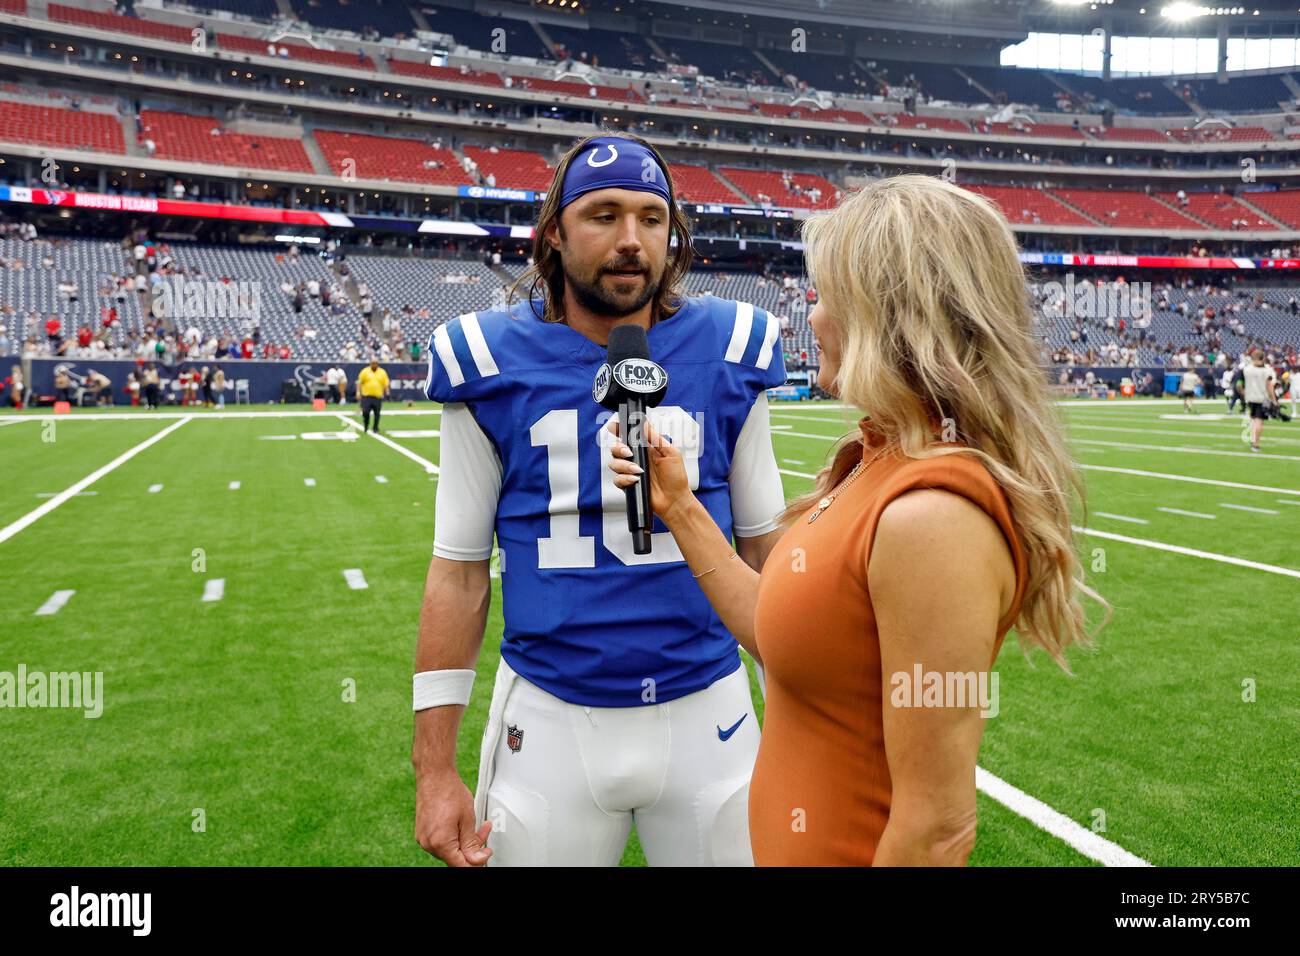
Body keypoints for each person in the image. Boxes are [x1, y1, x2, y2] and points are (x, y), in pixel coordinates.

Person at [609, 175, 1104, 866]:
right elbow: (777, 631)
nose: (809, 318)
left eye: (824, 297)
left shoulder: (931, 514)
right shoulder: (881, 462)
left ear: (888, 312)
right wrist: (680, 507)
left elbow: (937, 830)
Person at [413, 132, 786, 868]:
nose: (630, 240)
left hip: (708, 706)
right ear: (554, 231)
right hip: (550, 716)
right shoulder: (486, 359)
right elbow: (458, 572)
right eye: (603, 215)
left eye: (652, 218)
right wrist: (433, 770)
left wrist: (808, 721)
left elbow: (765, 551)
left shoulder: (732, 344)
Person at [1242, 349, 1277, 453]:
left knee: (1254, 420)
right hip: (1262, 398)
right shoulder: (1267, 371)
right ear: (1263, 358)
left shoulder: (1247, 369)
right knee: (1259, 422)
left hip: (1250, 398)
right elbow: (1270, 387)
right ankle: (1256, 444)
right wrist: (1274, 400)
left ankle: (1253, 441)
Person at [356, 358, 389, 433]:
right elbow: (359, 382)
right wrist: (358, 392)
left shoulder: (382, 372)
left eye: (375, 363)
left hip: (377, 396)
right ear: (370, 364)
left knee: (377, 413)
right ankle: (366, 425)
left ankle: (375, 428)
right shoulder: (365, 371)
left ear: (377, 364)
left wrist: (387, 391)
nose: (374, 365)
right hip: (367, 396)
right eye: (373, 363)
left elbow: (386, 383)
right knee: (366, 412)